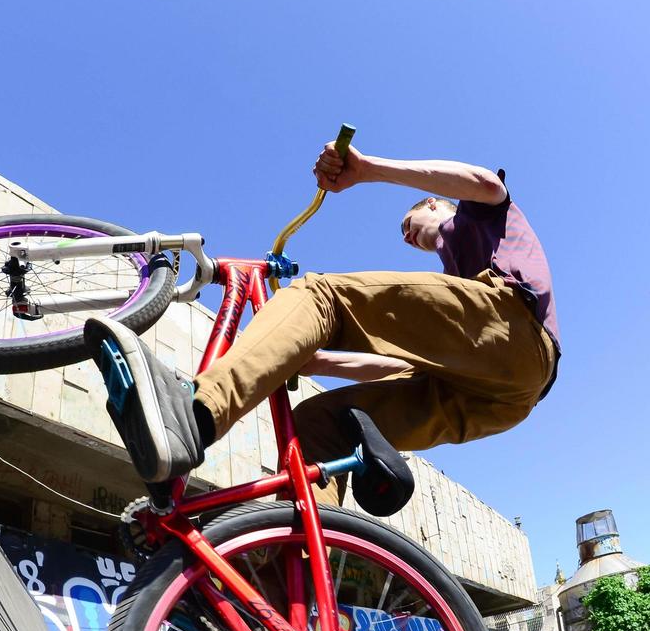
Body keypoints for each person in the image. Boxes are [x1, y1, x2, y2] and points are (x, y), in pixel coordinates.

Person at [87, 141, 560, 513]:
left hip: (516, 329)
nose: (408, 235)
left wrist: (367, 168)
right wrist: (307, 354)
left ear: (435, 205)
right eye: (404, 233)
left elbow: (481, 181)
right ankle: (288, 601)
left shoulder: (480, 216)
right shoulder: (457, 292)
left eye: (410, 222)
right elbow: (390, 365)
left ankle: (195, 414)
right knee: (318, 427)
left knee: (322, 295)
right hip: (498, 398)